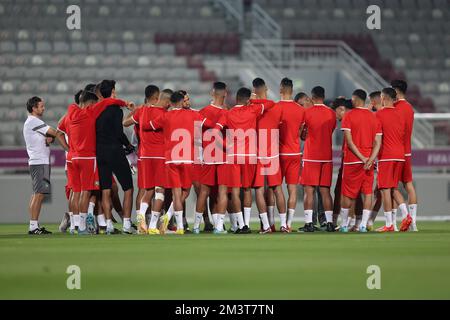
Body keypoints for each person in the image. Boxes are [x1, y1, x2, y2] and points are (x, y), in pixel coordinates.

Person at [146, 91, 220, 235]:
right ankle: (179, 226)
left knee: (175, 192)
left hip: (171, 159)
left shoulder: (165, 116)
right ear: (181, 102)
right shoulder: (193, 115)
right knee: (185, 191)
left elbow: (149, 125)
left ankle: (176, 224)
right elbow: (209, 124)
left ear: (171, 103)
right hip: (187, 159)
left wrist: (145, 109)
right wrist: (221, 123)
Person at [215, 88, 275, 234]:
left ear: (236, 98)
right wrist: (253, 100)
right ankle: (246, 224)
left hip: (234, 156)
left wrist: (225, 146)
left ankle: (241, 225)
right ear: (247, 100)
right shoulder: (253, 110)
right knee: (247, 189)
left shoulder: (228, 113)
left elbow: (215, 131)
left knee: (235, 192)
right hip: (250, 156)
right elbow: (271, 103)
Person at [23, 96, 69, 234]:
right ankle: (33, 227)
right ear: (33, 108)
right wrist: (64, 139)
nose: (43, 108)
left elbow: (48, 137)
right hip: (39, 162)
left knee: (37, 194)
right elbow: (54, 132)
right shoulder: (33, 121)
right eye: (41, 106)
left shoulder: (33, 122)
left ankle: (33, 225)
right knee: (39, 194)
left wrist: (48, 139)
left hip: (38, 161)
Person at [338, 89, 382, 233]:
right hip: (369, 162)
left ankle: (344, 224)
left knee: (347, 194)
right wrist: (370, 159)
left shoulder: (349, 116)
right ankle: (363, 224)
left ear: (356, 99)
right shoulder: (374, 117)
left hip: (353, 161)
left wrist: (362, 158)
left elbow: (349, 142)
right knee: (368, 193)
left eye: (352, 99)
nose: (351, 101)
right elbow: (378, 142)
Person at [95, 80, 135, 234]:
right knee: (128, 188)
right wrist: (129, 146)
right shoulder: (116, 110)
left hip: (100, 152)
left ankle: (109, 224)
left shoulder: (96, 110)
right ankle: (126, 224)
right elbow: (119, 133)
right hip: (114, 150)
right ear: (112, 91)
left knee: (105, 189)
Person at [299, 86, 336, 232]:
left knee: (309, 191)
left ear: (312, 97)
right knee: (325, 191)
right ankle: (329, 223)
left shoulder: (307, 113)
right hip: (326, 157)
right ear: (323, 96)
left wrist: (306, 134)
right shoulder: (331, 114)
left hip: (311, 156)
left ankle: (309, 223)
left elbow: (302, 135)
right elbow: (330, 131)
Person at [375, 88, 412, 232]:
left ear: (383, 97)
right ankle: (407, 215)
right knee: (393, 188)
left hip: (386, 156)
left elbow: (377, 138)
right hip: (400, 155)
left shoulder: (379, 115)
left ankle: (389, 224)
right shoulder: (400, 114)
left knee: (385, 189)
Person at [252, 78, 286, 233]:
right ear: (266, 88)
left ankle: (266, 225)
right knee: (277, 188)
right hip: (272, 152)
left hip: (257, 153)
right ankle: (284, 224)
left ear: (254, 90)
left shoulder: (250, 107)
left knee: (259, 189)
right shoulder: (277, 107)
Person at [194, 82, 228, 234]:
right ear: (225, 94)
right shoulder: (228, 113)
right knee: (221, 192)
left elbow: (196, 136)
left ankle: (196, 226)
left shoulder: (202, 112)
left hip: (207, 155)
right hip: (223, 155)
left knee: (204, 192)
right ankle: (219, 227)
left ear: (212, 93)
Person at [276, 77, 305, 232]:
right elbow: (301, 133)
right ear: (292, 91)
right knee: (292, 190)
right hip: (295, 153)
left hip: (279, 154)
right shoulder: (300, 110)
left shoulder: (275, 108)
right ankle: (289, 224)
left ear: (281, 89)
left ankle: (277, 223)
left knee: (276, 188)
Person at [391, 80, 418, 231]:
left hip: (395, 151)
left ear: (396, 90)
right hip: (407, 151)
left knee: (392, 186)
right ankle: (413, 223)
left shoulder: (394, 108)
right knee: (409, 185)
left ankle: (393, 223)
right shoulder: (410, 108)